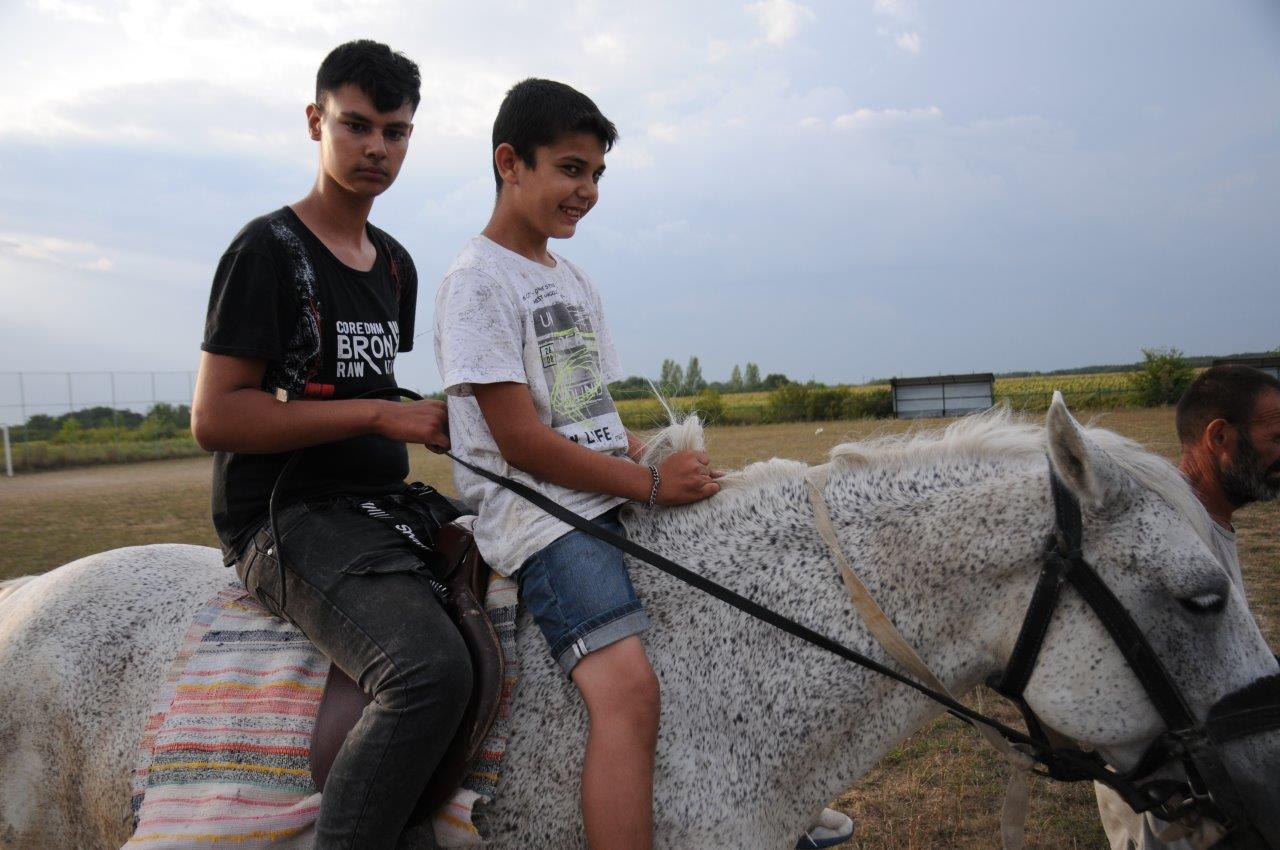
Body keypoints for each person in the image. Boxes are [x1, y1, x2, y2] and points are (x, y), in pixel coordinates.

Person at [434, 77, 853, 850]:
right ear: (509, 162)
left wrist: (657, 456)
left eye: (596, 174)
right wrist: (651, 484)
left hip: (603, 493)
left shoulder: (572, 281)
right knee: (626, 691)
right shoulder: (477, 281)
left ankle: (746, 810)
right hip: (542, 517)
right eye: (569, 169)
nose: (586, 190)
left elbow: (592, 421)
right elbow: (522, 440)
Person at [191, 40, 471, 850]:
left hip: (384, 505)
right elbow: (217, 417)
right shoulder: (267, 251)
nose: (377, 148)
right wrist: (380, 418)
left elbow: (363, 386)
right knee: (428, 671)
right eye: (356, 126)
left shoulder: (395, 267)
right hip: (289, 516)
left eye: (396, 131)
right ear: (316, 122)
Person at [1096, 364, 1280, 850]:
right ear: (1219, 437)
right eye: (1276, 437)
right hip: (1181, 819)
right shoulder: (1172, 547)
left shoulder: (1208, 524)